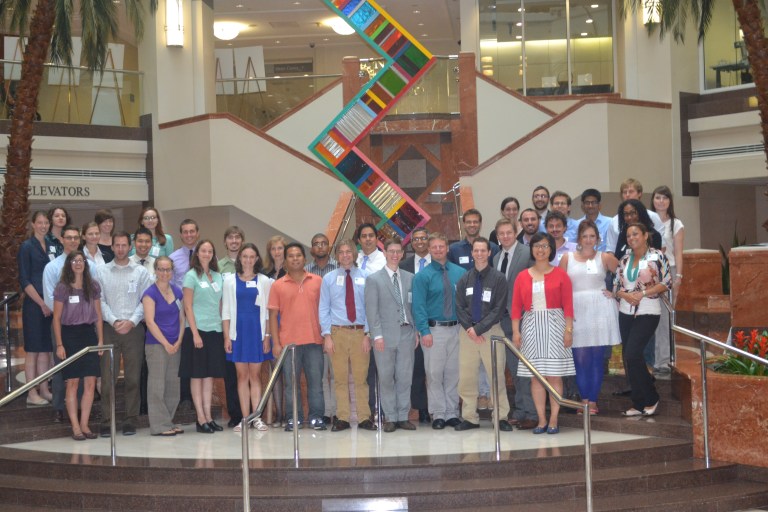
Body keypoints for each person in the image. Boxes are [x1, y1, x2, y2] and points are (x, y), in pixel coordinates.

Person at [511, 232, 575, 435]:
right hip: (530, 326)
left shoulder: (561, 275)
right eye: (537, 245)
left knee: (554, 376)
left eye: (545, 246)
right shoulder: (522, 276)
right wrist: (515, 332)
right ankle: (541, 419)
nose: (540, 249)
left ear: (551, 249)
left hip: (555, 326)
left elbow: (568, 306)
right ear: (532, 249)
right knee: (536, 377)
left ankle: (554, 419)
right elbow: (515, 307)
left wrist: (568, 330)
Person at [559, 221, 620, 414]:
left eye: (592, 236)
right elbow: (559, 284)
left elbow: (623, 274)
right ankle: (583, 400)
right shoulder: (567, 258)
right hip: (576, 309)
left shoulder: (605, 257)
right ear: (579, 238)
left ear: (598, 238)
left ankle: (592, 401)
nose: (588, 240)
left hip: (600, 309)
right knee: (580, 357)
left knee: (596, 358)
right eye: (584, 236)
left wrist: (616, 293)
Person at [97, 231, 152, 437]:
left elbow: (145, 301)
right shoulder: (101, 271)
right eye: (116, 245)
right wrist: (113, 320)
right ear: (111, 247)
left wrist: (131, 322)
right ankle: (106, 420)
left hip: (134, 329)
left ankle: (130, 419)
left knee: (133, 378)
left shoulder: (140, 272)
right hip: (109, 328)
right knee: (107, 377)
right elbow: (99, 300)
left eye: (123, 245)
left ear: (130, 246)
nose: (120, 248)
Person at [454, 237, 512, 431]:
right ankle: (470, 417)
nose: (479, 254)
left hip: (492, 332)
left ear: (489, 253)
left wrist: (479, 329)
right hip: (467, 333)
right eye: (476, 250)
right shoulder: (464, 279)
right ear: (472, 253)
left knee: (496, 375)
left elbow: (498, 308)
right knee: (467, 377)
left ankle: (501, 416)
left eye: (483, 251)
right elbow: (459, 307)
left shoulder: (498, 279)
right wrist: (471, 329)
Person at [614, 223, 671, 417]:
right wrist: (625, 295)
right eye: (628, 235)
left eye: (635, 234)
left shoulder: (657, 256)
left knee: (632, 353)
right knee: (631, 358)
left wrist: (644, 293)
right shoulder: (624, 259)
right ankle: (638, 403)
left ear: (645, 235)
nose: (631, 238)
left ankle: (652, 397)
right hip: (625, 311)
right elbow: (616, 286)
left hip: (648, 311)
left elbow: (666, 282)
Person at [268, 243, 325, 431]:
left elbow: (325, 310)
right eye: (290, 256)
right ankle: (294, 418)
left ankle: (317, 417)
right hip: (288, 344)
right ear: (285, 260)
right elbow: (273, 317)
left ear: (304, 258)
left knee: (315, 383)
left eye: (298, 255)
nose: (295, 259)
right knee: (291, 385)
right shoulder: (277, 285)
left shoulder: (317, 281)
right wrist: (275, 343)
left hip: (315, 341)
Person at [412, 232, 465, 430]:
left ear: (447, 248)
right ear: (429, 249)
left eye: (441, 246)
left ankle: (452, 412)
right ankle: (438, 413)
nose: (438, 250)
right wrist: (424, 330)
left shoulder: (460, 273)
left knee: (453, 373)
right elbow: (418, 306)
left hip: (456, 329)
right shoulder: (422, 277)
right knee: (434, 373)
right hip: (434, 331)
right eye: (434, 247)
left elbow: (464, 303)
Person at [320, 240, 373, 432]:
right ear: (337, 256)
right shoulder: (329, 278)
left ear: (354, 254)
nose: (345, 255)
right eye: (341, 252)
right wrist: (327, 335)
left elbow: (371, 308)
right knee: (340, 379)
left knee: (361, 379)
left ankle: (364, 417)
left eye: (348, 252)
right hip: (337, 333)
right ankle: (342, 417)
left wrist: (368, 333)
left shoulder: (367, 277)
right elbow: (323, 308)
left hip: (360, 333)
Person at [448, 209, 499, 410]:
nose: (471, 225)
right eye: (468, 222)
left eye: (475, 221)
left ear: (480, 223)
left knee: (488, 363)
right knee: (470, 366)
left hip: (488, 315)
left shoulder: (492, 247)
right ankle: (475, 399)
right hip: (466, 317)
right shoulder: (454, 249)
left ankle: (487, 396)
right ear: (463, 223)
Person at [365, 237, 417, 432]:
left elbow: (414, 307)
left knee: (405, 377)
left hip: (406, 333)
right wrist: (376, 336)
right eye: (391, 251)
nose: (395, 255)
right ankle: (390, 417)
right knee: (386, 378)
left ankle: (403, 416)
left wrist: (416, 332)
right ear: (385, 253)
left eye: (398, 252)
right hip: (384, 337)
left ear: (403, 254)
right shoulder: (374, 279)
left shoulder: (410, 278)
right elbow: (372, 311)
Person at [222, 243, 273, 432]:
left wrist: (267, 335)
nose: (248, 260)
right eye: (245, 256)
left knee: (255, 376)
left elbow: (268, 312)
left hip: (257, 333)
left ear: (257, 259)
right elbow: (226, 311)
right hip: (238, 334)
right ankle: (245, 418)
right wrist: (227, 337)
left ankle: (257, 417)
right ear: (240, 259)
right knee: (241, 376)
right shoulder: (229, 281)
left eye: (252, 256)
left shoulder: (264, 281)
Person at [52, 251, 103, 440]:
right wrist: (59, 344)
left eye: (81, 260)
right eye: (74, 261)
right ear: (69, 264)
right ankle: (75, 427)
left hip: (89, 335)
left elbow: (98, 316)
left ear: (86, 264)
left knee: (90, 383)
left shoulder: (93, 286)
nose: (78, 263)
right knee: (72, 383)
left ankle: (85, 424)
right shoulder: (63, 288)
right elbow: (56, 318)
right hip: (70, 336)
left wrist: (100, 341)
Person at [43, 225, 91, 423]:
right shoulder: (52, 268)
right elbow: (49, 300)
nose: (72, 241)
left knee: (82, 371)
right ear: (61, 240)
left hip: (84, 328)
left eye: (75, 238)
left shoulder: (88, 266)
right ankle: (58, 408)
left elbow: (94, 295)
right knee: (62, 367)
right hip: (62, 326)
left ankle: (80, 408)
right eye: (68, 238)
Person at [492, 218, 537, 430]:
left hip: (525, 319)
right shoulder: (495, 257)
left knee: (527, 369)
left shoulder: (528, 253)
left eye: (508, 232)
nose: (505, 236)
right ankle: (520, 411)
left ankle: (532, 413)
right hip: (504, 321)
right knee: (514, 368)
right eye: (501, 233)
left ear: (515, 232)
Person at [180, 240, 226, 434]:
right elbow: (187, 306)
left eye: (210, 250)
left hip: (215, 330)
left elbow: (222, 305)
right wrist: (196, 333)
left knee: (209, 376)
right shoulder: (191, 276)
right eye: (203, 250)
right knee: (197, 374)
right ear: (197, 254)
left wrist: (224, 332)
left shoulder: (218, 276)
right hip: (196, 331)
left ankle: (208, 416)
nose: (206, 254)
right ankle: (200, 418)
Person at [142, 256, 185, 436]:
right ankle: (159, 426)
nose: (164, 273)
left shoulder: (177, 291)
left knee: (173, 385)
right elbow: (150, 322)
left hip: (176, 345)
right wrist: (166, 344)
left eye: (168, 270)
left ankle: (168, 421)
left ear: (172, 271)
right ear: (155, 271)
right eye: (161, 269)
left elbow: (182, 318)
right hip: (157, 345)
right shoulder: (150, 293)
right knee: (157, 386)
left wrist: (179, 340)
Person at [17, 211, 54, 406]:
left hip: (50, 304)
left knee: (46, 350)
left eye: (46, 222)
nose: (43, 226)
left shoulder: (51, 245)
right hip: (34, 305)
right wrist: (41, 303)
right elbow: (24, 279)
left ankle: (44, 389)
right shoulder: (26, 247)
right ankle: (31, 392)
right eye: (39, 222)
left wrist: (51, 303)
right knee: (33, 350)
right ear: (32, 224)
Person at [650, 185, 685, 376]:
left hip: (668, 271)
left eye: (665, 198)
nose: (661, 201)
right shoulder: (647, 222)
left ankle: (663, 361)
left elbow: (678, 253)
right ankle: (652, 359)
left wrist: (678, 277)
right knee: (648, 317)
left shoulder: (675, 224)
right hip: (648, 271)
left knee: (664, 318)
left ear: (670, 201)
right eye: (657, 198)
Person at [305, 232, 339, 426]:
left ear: (329, 247)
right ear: (311, 249)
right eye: (316, 244)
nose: (320, 247)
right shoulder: (305, 271)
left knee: (336, 374)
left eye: (323, 243)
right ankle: (325, 412)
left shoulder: (338, 268)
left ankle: (336, 411)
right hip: (313, 329)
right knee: (319, 375)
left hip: (335, 329)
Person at [399, 227, 430, 424]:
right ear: (411, 243)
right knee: (417, 369)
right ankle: (422, 409)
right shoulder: (404, 265)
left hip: (436, 322)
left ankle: (440, 408)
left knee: (435, 370)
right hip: (413, 324)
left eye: (423, 238)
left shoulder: (438, 262)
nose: (419, 242)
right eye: (415, 239)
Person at [218, 226, 245, 428]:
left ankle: (251, 412)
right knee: (231, 373)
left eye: (237, 237)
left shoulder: (251, 264)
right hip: (227, 326)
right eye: (230, 238)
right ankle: (235, 413)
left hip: (247, 326)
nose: (234, 241)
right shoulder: (218, 267)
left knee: (249, 372)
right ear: (225, 242)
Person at [262, 234, 288, 426]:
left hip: (289, 324)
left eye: (280, 248)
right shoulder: (264, 274)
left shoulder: (292, 272)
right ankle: (279, 414)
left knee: (289, 372)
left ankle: (291, 413)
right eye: (274, 249)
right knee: (275, 373)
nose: (277, 252)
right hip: (270, 324)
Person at [605, 178, 665, 255]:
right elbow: (611, 249)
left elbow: (662, 246)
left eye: (631, 191)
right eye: (624, 192)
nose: (627, 195)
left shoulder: (653, 216)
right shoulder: (615, 221)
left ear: (640, 193)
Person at [170, 219, 200, 289]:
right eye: (185, 232)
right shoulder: (172, 258)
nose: (189, 235)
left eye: (192, 231)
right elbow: (169, 284)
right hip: (181, 298)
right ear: (181, 235)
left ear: (198, 233)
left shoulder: (207, 255)